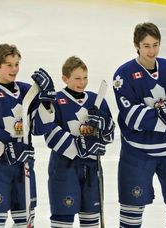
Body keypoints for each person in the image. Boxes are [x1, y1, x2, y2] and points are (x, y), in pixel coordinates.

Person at [112, 22, 166, 227]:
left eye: (155, 44)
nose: (152, 50)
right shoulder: (123, 75)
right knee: (131, 214)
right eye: (146, 45)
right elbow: (131, 116)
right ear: (137, 46)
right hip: (137, 154)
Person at [0, 43, 56, 227]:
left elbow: (39, 128)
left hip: (24, 168)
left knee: (25, 222)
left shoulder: (27, 91)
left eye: (17, 64)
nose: (14, 69)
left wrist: (46, 102)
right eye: (9, 65)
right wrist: (7, 151)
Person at [44, 56, 115, 227]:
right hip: (64, 169)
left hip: (92, 168)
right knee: (63, 219)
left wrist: (104, 126)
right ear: (65, 78)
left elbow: (110, 135)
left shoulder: (95, 100)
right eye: (77, 78)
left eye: (85, 77)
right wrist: (80, 145)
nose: (82, 82)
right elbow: (50, 135)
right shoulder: (56, 101)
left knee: (91, 220)